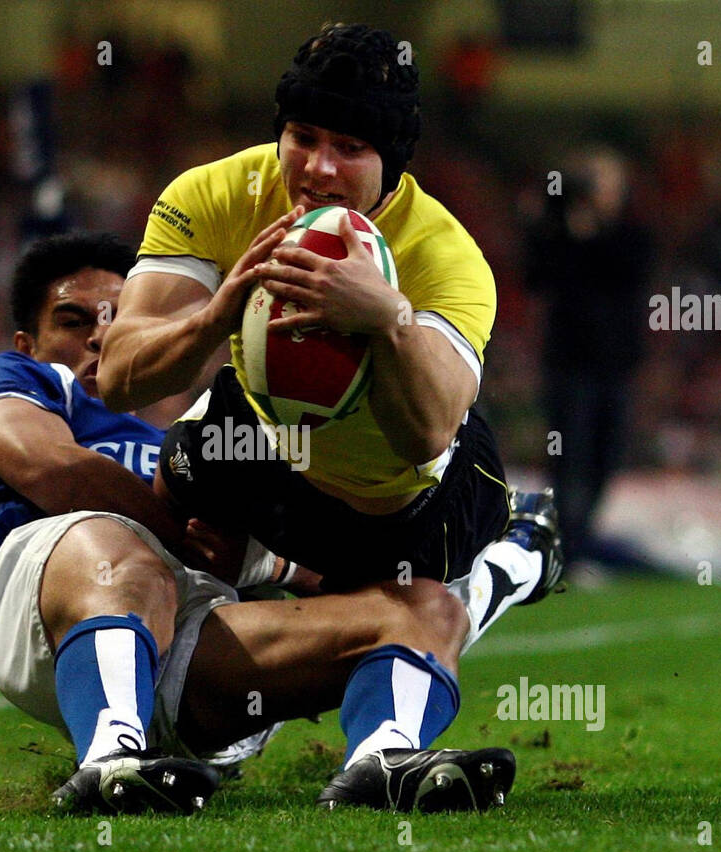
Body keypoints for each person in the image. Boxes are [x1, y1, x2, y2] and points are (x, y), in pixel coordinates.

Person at [0, 232, 517, 814]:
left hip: (193, 642)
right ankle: (108, 761)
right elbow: (52, 470)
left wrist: (276, 564)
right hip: (52, 614)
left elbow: (297, 565)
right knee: (117, 544)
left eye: (117, 318)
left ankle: (383, 761)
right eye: (71, 320)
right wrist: (183, 535)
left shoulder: (176, 443)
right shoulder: (11, 378)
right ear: (26, 341)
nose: (99, 335)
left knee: (422, 607)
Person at [98, 23, 562, 657]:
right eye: (303, 138)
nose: (319, 168)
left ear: (392, 162)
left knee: (410, 635)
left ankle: (512, 566)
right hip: (273, 454)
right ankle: (236, 676)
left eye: (349, 147)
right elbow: (119, 382)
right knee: (182, 488)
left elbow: (426, 433)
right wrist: (213, 319)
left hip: (405, 503)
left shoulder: (447, 256)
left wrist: (388, 318)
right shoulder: (215, 194)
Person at [523, 147, 653, 569]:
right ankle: (563, 546)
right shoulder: (557, 231)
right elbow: (537, 276)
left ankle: (578, 541)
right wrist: (560, 224)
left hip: (615, 366)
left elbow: (627, 272)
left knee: (604, 457)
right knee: (568, 459)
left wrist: (590, 235)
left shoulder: (632, 235)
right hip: (570, 365)